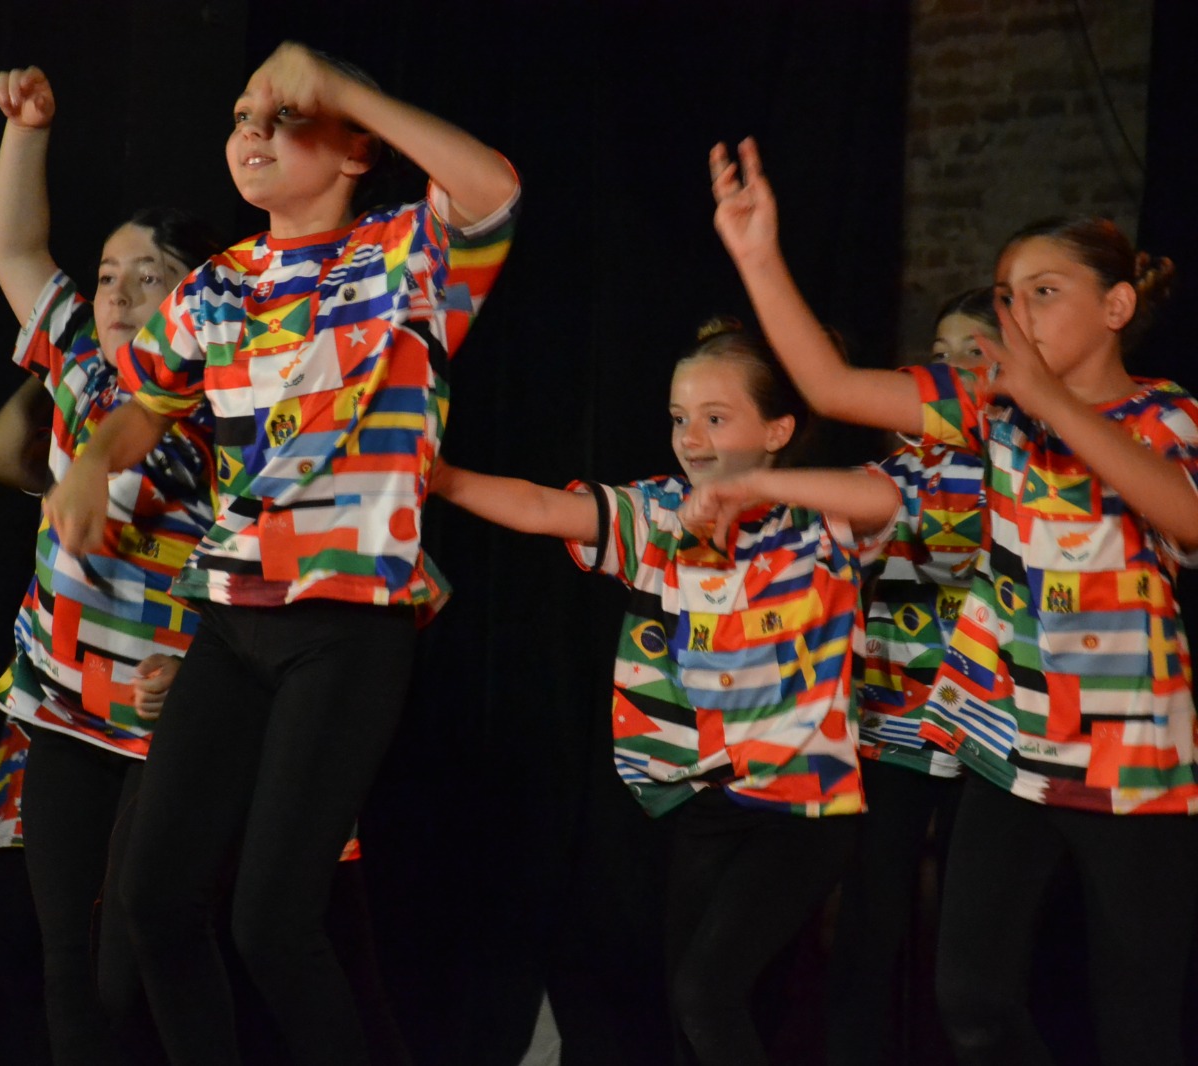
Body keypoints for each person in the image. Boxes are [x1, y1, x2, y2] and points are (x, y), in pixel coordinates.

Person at [44, 41, 519, 1065]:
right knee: (152, 899)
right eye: (241, 117)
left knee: (271, 920)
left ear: (356, 150)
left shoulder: (406, 256)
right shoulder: (216, 286)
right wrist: (90, 462)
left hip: (346, 627)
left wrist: (342, 90)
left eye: (283, 116)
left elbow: (492, 187)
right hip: (232, 616)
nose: (252, 132)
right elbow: (147, 405)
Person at [711, 136, 1198, 1066]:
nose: (1017, 313)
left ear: (1116, 306)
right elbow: (830, 388)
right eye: (1007, 295)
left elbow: (1185, 516)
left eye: (1044, 291)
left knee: (1139, 1029)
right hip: (1010, 743)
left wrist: (1051, 402)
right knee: (971, 1002)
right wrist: (758, 252)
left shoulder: (1165, 413)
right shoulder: (991, 410)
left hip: (1132, 755)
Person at [432, 320, 899, 1066]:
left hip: (801, 809)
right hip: (703, 803)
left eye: (716, 418)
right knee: (692, 1011)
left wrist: (753, 487)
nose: (691, 438)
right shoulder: (659, 514)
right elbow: (544, 508)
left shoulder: (822, 520)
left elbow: (882, 498)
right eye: (680, 418)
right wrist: (441, 478)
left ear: (778, 429)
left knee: (706, 994)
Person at [0, 63, 226, 1064]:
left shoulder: (230, 407)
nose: (117, 292)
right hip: (61, 704)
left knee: (136, 954)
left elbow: (262, 564)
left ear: (194, 296)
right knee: (64, 959)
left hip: (166, 722)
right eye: (108, 272)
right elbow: (12, 247)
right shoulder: (80, 361)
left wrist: (201, 668)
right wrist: (28, 129)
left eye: (147, 276)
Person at [823, 289, 996, 1066]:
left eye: (971, 354)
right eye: (939, 354)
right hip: (892, 723)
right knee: (871, 918)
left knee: (974, 938)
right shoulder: (889, 472)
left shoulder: (1026, 472)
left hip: (989, 733)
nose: (948, 370)